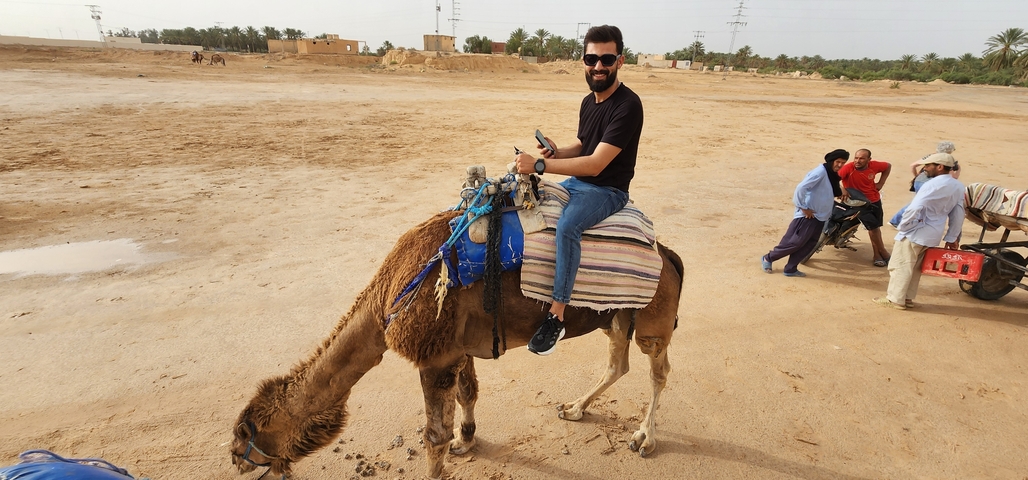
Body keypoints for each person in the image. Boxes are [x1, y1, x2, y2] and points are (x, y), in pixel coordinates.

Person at [514, 25, 643, 356]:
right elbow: (585, 145)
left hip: (607, 190)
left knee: (569, 226)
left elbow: (596, 164)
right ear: (583, 61)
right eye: (591, 58)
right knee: (524, 192)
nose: (598, 66)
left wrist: (541, 166)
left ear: (620, 61)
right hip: (580, 182)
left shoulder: (629, 105)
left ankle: (557, 315)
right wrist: (557, 153)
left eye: (606, 59)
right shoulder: (590, 101)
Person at [873, 153, 965, 310]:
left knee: (901, 265)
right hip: (933, 234)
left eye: (928, 165)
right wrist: (951, 237)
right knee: (915, 268)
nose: (925, 168)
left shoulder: (932, 185)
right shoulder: (958, 186)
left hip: (916, 231)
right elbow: (958, 213)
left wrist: (904, 226)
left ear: (940, 167)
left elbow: (915, 207)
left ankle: (895, 300)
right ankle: (907, 298)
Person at [761, 149, 848, 277]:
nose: (840, 165)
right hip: (809, 215)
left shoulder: (830, 173)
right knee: (795, 242)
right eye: (838, 161)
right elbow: (801, 187)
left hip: (821, 215)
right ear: (831, 161)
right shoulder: (820, 172)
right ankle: (768, 258)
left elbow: (831, 187)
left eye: (843, 163)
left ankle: (790, 269)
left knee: (810, 243)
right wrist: (803, 207)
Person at [838, 148, 892, 267]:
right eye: (856, 158)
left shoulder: (874, 166)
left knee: (875, 228)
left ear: (869, 160)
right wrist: (842, 189)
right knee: (873, 228)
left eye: (862, 158)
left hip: (874, 200)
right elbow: (835, 178)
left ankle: (878, 254)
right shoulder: (849, 168)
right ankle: (882, 253)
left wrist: (881, 183)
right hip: (858, 202)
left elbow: (888, 166)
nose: (858, 161)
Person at [889, 141, 960, 227]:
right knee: (921, 203)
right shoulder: (947, 160)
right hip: (930, 184)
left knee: (918, 202)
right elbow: (953, 177)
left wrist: (917, 177)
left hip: (919, 181)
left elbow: (913, 165)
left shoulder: (930, 156)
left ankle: (898, 220)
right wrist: (958, 169)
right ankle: (898, 221)